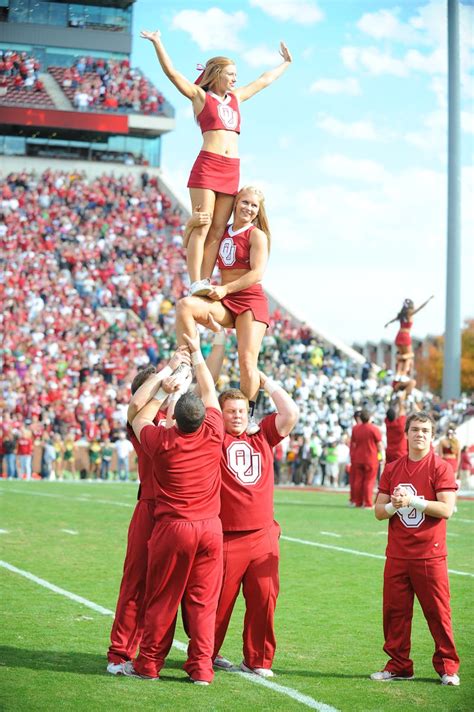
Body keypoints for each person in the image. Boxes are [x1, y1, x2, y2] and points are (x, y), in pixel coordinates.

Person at [140, 29, 291, 296]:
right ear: (218, 73)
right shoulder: (200, 96)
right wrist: (157, 42)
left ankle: (206, 280)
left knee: (219, 229)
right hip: (208, 165)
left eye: (236, 75)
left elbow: (264, 80)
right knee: (202, 222)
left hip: (231, 169)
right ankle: (195, 281)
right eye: (231, 74)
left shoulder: (236, 98)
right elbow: (173, 74)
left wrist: (285, 64)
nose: (235, 78)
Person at [124, 330, 225, 684]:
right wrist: (197, 355)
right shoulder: (214, 433)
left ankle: (149, 664)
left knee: (162, 600)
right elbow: (211, 393)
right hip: (211, 529)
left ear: (176, 418)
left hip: (174, 528)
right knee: (202, 604)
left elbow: (138, 417)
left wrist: (166, 386)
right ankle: (201, 668)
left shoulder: (164, 440)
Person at [107, 351, 189, 675]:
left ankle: (170, 656)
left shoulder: (177, 419)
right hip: (150, 509)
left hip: (181, 513)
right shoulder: (142, 423)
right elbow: (135, 406)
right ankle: (120, 653)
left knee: (174, 589)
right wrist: (165, 373)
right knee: (135, 583)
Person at [212, 372, 299, 677]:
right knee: (218, 603)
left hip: (262, 533)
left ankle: (257, 659)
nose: (237, 416)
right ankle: (206, 653)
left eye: (241, 411)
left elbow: (290, 414)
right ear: (219, 414)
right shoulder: (213, 437)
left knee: (264, 598)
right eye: (230, 411)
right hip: (226, 535)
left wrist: (266, 382)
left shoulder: (261, 434)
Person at [372, 411, 460, 686]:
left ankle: (447, 667)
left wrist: (413, 501)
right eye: (415, 430)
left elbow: (446, 509)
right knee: (395, 613)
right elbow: (378, 511)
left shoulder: (441, 467)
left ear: (432, 436)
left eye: (425, 430)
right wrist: (393, 506)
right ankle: (399, 665)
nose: (419, 435)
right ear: (406, 433)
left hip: (429, 553)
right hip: (397, 553)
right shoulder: (393, 468)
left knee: (437, 612)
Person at [176, 186, 271, 433]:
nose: (248, 209)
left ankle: (249, 414)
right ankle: (185, 364)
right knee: (186, 305)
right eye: (245, 203)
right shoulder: (223, 232)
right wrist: (190, 224)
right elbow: (190, 246)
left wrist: (226, 289)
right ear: (236, 202)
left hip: (249, 301)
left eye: (254, 206)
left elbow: (257, 273)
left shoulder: (256, 235)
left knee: (247, 360)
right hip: (226, 299)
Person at [384, 296, 433, 377]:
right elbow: (420, 308)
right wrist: (428, 300)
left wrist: (387, 323)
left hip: (398, 336)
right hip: (405, 336)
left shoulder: (401, 315)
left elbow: (393, 320)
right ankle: (403, 373)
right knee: (410, 355)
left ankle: (399, 372)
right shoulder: (409, 314)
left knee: (403, 360)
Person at [349, 409, 385, 508]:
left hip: (358, 457)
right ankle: (368, 503)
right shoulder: (374, 429)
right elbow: (379, 445)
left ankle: (358, 501)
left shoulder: (355, 428)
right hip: (371, 458)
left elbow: (354, 443)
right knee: (369, 481)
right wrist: (382, 456)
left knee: (358, 481)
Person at [385, 393, 408, 464]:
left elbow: (391, 414)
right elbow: (402, 412)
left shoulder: (387, 423)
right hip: (400, 452)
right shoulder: (400, 424)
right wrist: (401, 401)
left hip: (389, 452)